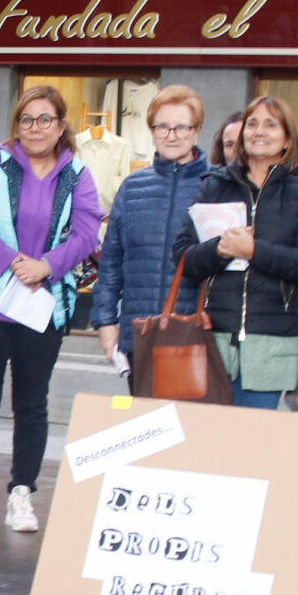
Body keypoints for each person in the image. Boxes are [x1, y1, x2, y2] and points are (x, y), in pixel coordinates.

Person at [0, 85, 102, 534]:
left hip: (42, 305)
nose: (35, 128)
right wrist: (12, 262)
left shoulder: (78, 174)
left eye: (45, 119)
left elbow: (86, 233)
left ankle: (23, 491)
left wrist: (46, 266)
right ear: (16, 125)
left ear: (61, 126)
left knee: (32, 403)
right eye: (27, 119)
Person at [169, 95, 298, 410]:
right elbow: (184, 257)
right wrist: (221, 249)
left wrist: (253, 250)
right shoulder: (214, 186)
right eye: (252, 124)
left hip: (273, 341)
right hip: (214, 338)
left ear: (287, 139)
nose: (260, 131)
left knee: (250, 444)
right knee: (211, 443)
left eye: (271, 124)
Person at [91, 84, 207, 377]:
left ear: (196, 131)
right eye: (162, 127)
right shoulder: (132, 187)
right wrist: (106, 322)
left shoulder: (215, 185)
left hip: (194, 334)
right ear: (152, 131)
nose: (171, 135)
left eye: (181, 127)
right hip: (138, 333)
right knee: (145, 421)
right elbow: (111, 262)